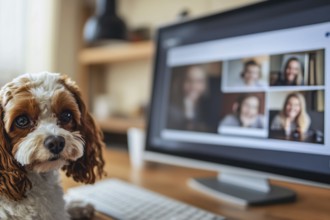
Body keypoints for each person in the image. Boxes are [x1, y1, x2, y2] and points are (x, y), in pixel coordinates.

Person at [167, 65, 211, 132]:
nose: (193, 86)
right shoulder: (171, 110)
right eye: (188, 80)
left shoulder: (203, 107)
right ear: (180, 82)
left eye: (199, 81)